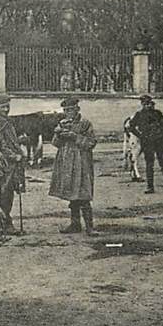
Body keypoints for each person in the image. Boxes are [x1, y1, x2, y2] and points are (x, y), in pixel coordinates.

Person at [49, 98, 99, 235]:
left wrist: (74, 136)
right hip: (66, 163)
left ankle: (90, 227)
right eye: (65, 110)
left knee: (83, 194)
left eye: (70, 110)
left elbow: (91, 143)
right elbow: (55, 144)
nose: (67, 113)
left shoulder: (85, 124)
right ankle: (75, 224)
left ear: (77, 109)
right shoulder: (62, 123)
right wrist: (57, 133)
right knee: (72, 194)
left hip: (81, 163)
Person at [0, 93, 25, 236]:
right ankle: (2, 224)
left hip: (13, 164)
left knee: (8, 194)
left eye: (7, 106)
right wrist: (13, 155)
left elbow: (9, 141)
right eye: (3, 107)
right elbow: (0, 144)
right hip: (4, 164)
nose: (6, 109)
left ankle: (4, 222)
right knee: (2, 194)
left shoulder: (6, 121)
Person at [127, 95, 163, 194]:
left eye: (149, 103)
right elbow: (131, 127)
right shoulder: (139, 115)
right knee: (149, 165)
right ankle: (150, 187)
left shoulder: (157, 113)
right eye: (145, 104)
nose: (148, 105)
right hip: (147, 142)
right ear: (142, 104)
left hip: (159, 141)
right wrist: (140, 135)